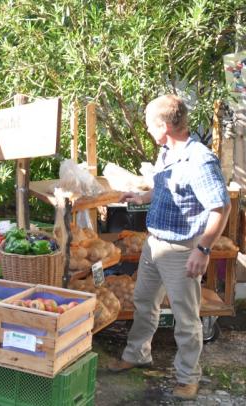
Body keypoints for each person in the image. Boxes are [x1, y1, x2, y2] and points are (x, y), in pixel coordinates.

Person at [108, 95, 231, 400]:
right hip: (155, 244)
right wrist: (143, 197)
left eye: (150, 124)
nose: (148, 129)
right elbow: (164, 187)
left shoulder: (200, 160)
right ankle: (137, 354)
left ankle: (188, 377)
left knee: (185, 317)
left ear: (164, 126)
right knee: (143, 302)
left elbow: (221, 208)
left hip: (182, 249)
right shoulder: (167, 152)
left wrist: (202, 249)